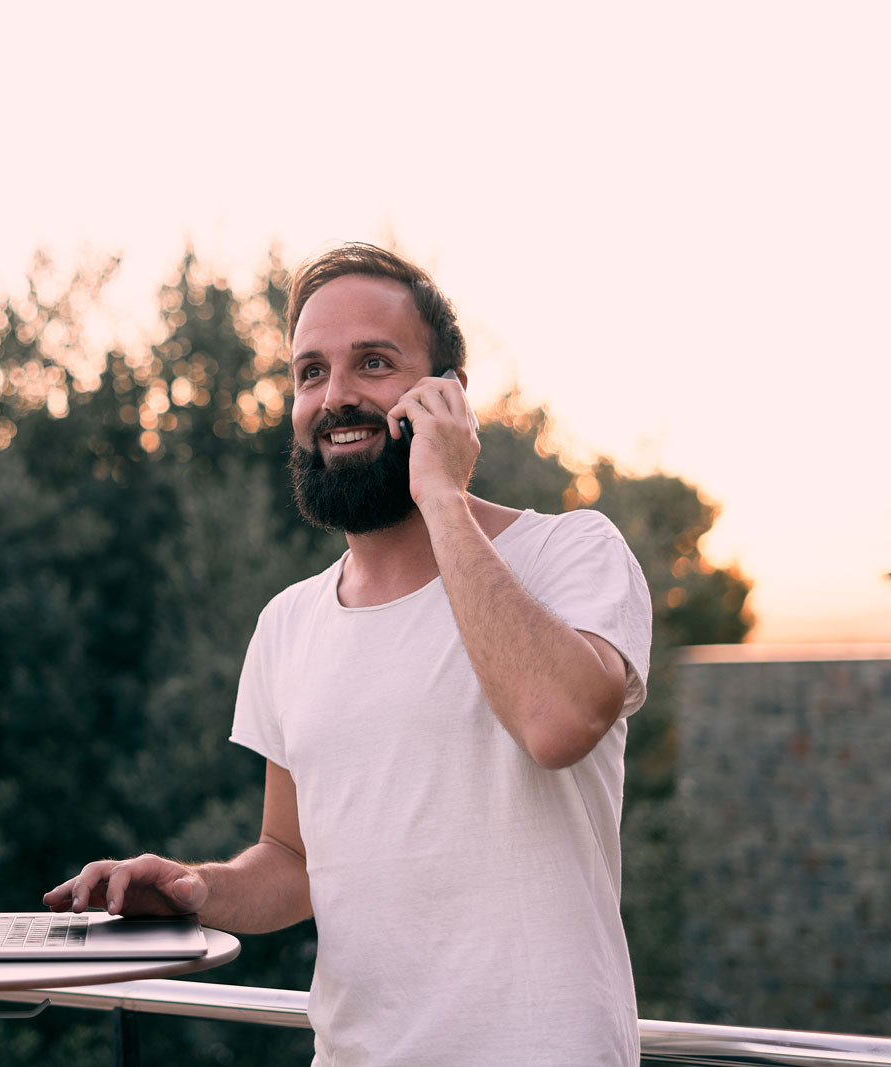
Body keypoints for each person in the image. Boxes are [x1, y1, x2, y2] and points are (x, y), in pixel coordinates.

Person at [45, 243, 652, 1066]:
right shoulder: (289, 624)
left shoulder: (574, 553)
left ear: (450, 397)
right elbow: (294, 859)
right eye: (309, 372)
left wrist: (440, 492)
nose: (335, 397)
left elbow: (557, 721)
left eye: (373, 363)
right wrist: (197, 887)